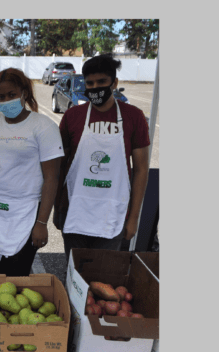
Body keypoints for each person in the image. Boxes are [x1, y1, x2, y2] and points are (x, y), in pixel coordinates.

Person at [53, 53, 150, 261]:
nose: (95, 88)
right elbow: (61, 165)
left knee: (104, 275)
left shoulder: (134, 116)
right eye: (90, 83)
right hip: (75, 210)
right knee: (74, 275)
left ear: (114, 83)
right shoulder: (73, 116)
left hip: (113, 212)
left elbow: (141, 170)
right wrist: (56, 207)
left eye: (101, 82)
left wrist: (133, 218)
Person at [0, 68, 64, 276]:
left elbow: (52, 178)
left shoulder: (43, 127)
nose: (6, 101)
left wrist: (41, 223)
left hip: (26, 212)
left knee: (18, 274)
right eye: (1, 97)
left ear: (24, 93)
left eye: (12, 95)